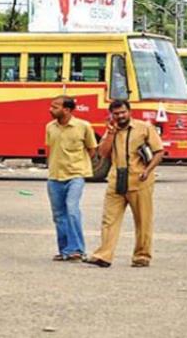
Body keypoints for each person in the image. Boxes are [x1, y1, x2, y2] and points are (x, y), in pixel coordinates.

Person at [85, 100, 163, 268]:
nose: (120, 116)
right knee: (109, 219)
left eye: (122, 112)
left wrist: (148, 170)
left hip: (140, 180)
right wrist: (111, 134)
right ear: (111, 115)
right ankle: (104, 256)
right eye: (116, 114)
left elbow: (159, 152)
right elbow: (102, 154)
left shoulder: (144, 128)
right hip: (116, 180)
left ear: (129, 111)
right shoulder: (111, 131)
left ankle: (141, 256)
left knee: (143, 220)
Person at [45, 96, 97, 262]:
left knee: (72, 210)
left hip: (75, 175)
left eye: (55, 107)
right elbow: (50, 149)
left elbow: (92, 150)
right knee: (59, 215)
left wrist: (79, 165)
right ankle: (65, 250)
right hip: (54, 176)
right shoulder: (50, 127)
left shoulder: (83, 126)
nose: (50, 109)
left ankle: (77, 249)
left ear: (67, 110)